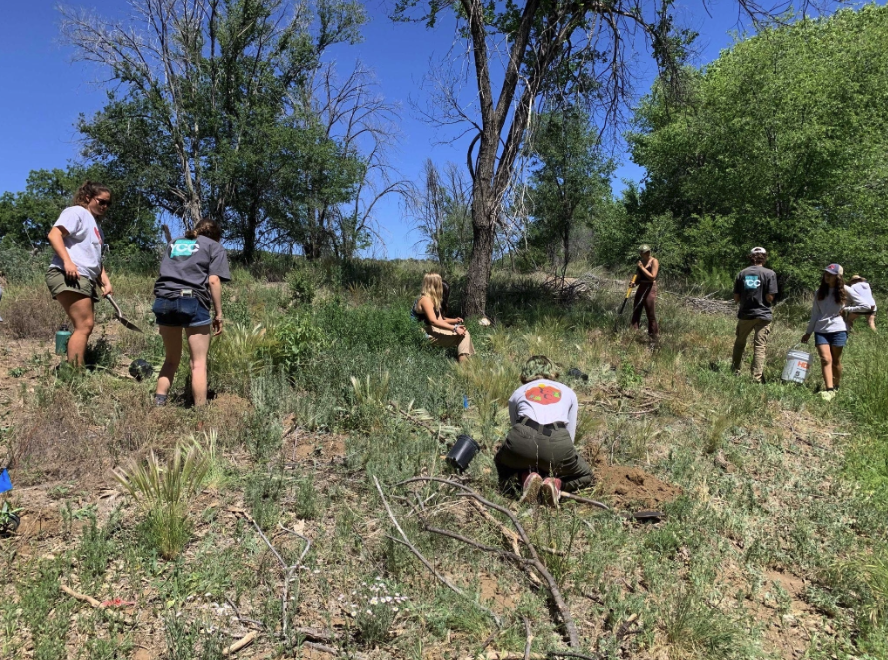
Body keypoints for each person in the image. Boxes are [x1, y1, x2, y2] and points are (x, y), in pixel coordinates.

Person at [494, 356, 594, 508]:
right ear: (552, 372)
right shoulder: (568, 392)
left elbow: (516, 426)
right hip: (557, 441)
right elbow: (570, 435)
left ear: (525, 374)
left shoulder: (517, 393)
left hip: (523, 437)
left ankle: (526, 478)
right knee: (586, 475)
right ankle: (556, 484)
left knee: (501, 462)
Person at [152, 219, 230, 407]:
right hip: (192, 301)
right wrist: (219, 313)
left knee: (171, 359)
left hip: (163, 300)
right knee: (198, 363)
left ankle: (158, 405)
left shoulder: (174, 243)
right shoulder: (214, 246)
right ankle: (200, 415)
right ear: (216, 236)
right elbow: (213, 281)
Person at [46, 181, 114, 367]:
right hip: (68, 274)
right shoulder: (76, 212)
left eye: (108, 204)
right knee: (84, 325)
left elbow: (94, 259)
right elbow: (54, 235)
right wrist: (68, 262)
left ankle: (75, 369)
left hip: (84, 277)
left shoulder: (96, 227)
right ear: (87, 197)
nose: (105, 206)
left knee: (85, 326)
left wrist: (105, 281)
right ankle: (75, 373)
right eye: (101, 201)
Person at [731, 247, 778, 382]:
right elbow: (770, 297)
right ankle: (756, 377)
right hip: (763, 315)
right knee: (759, 346)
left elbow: (736, 298)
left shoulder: (742, 273)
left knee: (740, 343)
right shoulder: (770, 274)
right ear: (764, 258)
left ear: (750, 257)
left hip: (745, 314)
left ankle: (735, 371)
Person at [801, 264, 847, 401]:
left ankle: (836, 385)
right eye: (826, 273)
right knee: (826, 359)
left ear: (838, 276)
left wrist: (848, 308)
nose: (827, 276)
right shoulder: (819, 292)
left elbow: (866, 304)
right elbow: (815, 314)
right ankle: (829, 389)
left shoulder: (845, 290)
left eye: (831, 274)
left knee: (836, 361)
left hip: (838, 330)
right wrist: (808, 332)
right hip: (821, 330)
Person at [413, 273, 475, 362]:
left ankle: (467, 362)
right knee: (463, 336)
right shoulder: (425, 300)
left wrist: (456, 324)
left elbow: (440, 320)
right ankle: (464, 365)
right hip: (424, 333)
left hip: (430, 329)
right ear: (434, 284)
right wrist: (454, 328)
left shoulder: (432, 299)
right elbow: (434, 321)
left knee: (464, 332)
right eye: (439, 282)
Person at [630, 245, 659, 342]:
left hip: (650, 288)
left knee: (650, 314)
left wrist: (642, 268)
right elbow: (639, 279)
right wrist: (634, 283)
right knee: (636, 311)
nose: (647, 253)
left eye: (647, 252)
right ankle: (634, 335)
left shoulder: (654, 261)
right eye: (644, 252)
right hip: (641, 287)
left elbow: (652, 277)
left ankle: (653, 337)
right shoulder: (641, 263)